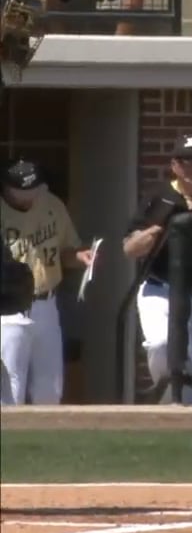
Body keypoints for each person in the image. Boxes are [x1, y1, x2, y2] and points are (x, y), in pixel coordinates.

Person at [121, 135, 192, 405]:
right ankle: (168, 405)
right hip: (160, 288)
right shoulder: (159, 196)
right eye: (187, 162)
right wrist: (160, 227)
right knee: (161, 344)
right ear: (174, 165)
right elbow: (129, 249)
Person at [0, 158, 94, 405]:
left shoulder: (51, 204)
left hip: (46, 303)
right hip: (8, 308)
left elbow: (66, 251)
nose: (29, 197)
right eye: (23, 192)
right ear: (7, 188)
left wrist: (80, 257)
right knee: (9, 386)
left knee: (50, 386)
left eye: (34, 190)